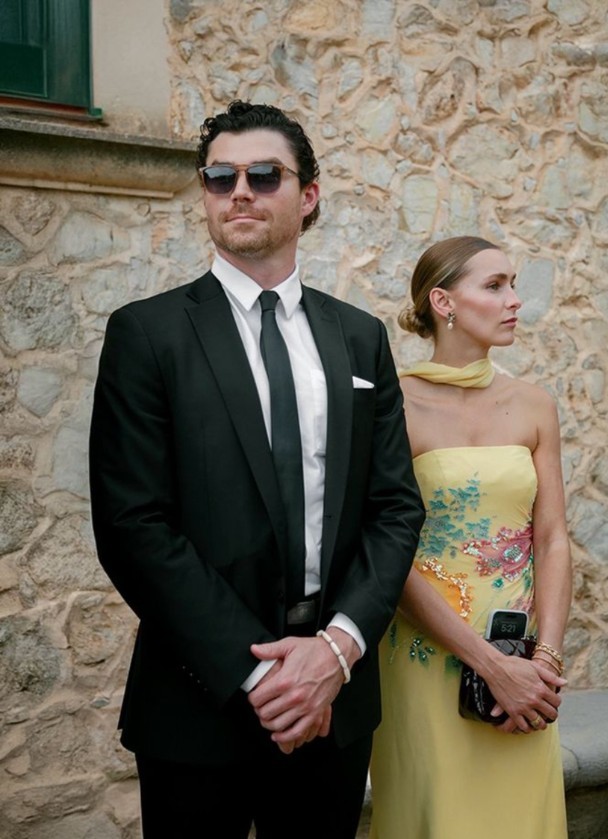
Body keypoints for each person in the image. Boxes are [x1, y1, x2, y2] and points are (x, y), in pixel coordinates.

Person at [89, 100, 424, 839]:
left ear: (307, 196)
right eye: (220, 177)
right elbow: (133, 525)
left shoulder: (359, 338)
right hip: (197, 699)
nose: (239, 191)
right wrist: (263, 675)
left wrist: (336, 650)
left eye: (264, 175)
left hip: (334, 700)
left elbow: (396, 508)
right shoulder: (147, 334)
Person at [369, 236, 572, 839]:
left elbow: (553, 538)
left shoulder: (534, 405)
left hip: (522, 662)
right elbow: (386, 549)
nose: (515, 300)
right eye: (494, 285)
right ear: (443, 302)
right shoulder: (394, 405)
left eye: (513, 284)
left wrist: (543, 663)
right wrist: (486, 663)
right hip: (425, 658)